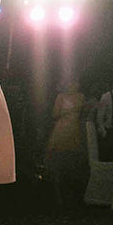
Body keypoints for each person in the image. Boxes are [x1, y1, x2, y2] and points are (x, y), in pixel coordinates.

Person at [43, 79, 87, 208]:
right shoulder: (61, 97)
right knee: (60, 160)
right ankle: (59, 196)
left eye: (77, 83)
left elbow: (84, 112)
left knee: (74, 162)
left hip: (75, 130)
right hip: (62, 130)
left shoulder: (81, 96)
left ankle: (73, 195)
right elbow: (55, 114)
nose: (75, 85)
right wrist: (70, 110)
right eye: (72, 83)